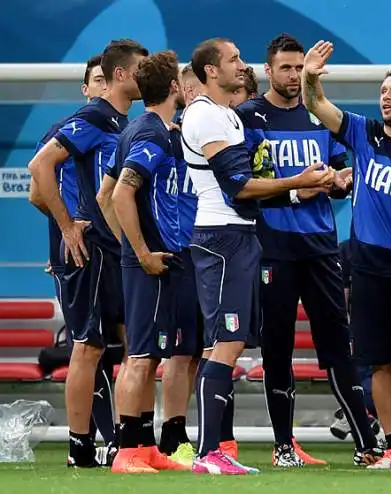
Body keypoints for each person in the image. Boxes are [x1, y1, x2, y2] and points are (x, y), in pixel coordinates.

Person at [180, 37, 339, 475]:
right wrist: (296, 182)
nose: (240, 64)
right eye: (232, 59)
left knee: (225, 343)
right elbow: (238, 185)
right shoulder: (208, 116)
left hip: (236, 236)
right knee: (227, 343)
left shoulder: (221, 114)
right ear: (211, 71)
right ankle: (209, 452)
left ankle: (213, 450)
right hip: (224, 237)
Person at [237, 33, 381, 468]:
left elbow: (339, 172)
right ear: (268, 71)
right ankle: (284, 446)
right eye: (286, 68)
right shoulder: (249, 116)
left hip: (321, 249)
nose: (295, 75)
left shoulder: (320, 115)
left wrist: (341, 180)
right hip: (273, 250)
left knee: (338, 346)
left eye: (300, 68)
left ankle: (366, 445)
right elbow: (247, 189)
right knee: (276, 350)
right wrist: (302, 190)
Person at [302, 41, 391, 469]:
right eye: (383, 90)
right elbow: (317, 104)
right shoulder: (363, 132)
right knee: (379, 365)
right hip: (367, 268)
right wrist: (310, 75)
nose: (386, 96)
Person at [27, 39, 148, 468]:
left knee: (128, 345)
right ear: (121, 75)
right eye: (141, 69)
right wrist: (66, 226)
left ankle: (128, 440)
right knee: (88, 346)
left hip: (113, 249)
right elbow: (38, 170)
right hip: (90, 250)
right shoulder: (95, 114)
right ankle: (80, 447)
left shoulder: (121, 122)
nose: (146, 76)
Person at [108, 50, 188, 474]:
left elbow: (106, 195)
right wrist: (138, 253)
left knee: (152, 357)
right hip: (149, 263)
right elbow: (120, 193)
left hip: (157, 260)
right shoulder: (151, 135)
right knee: (138, 357)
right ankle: (125, 452)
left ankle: (145, 446)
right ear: (174, 86)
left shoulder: (149, 129)